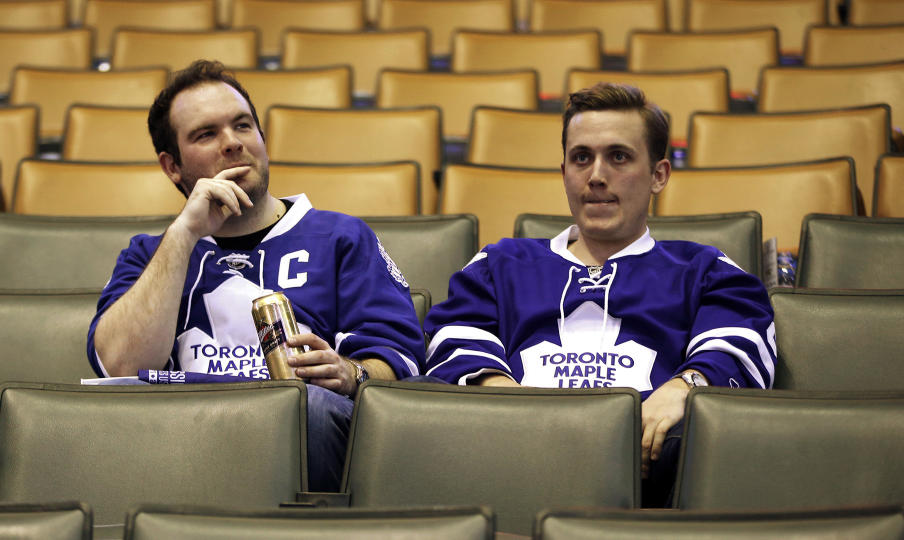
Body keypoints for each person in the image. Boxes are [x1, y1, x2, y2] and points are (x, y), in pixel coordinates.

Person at [422, 82, 776, 507]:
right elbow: (453, 335)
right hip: (509, 453)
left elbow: (741, 341)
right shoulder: (501, 263)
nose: (596, 176)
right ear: (564, 172)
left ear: (658, 175)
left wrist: (683, 388)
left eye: (619, 157)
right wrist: (505, 399)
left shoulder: (704, 269)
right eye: (581, 158)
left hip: (652, 464)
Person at [87, 60, 425, 492]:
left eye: (243, 126)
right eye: (206, 134)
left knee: (309, 410)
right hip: (179, 436)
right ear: (172, 167)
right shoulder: (151, 254)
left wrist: (350, 372)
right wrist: (185, 234)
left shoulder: (341, 237)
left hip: (307, 429)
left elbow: (402, 363)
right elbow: (119, 366)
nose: (232, 143)